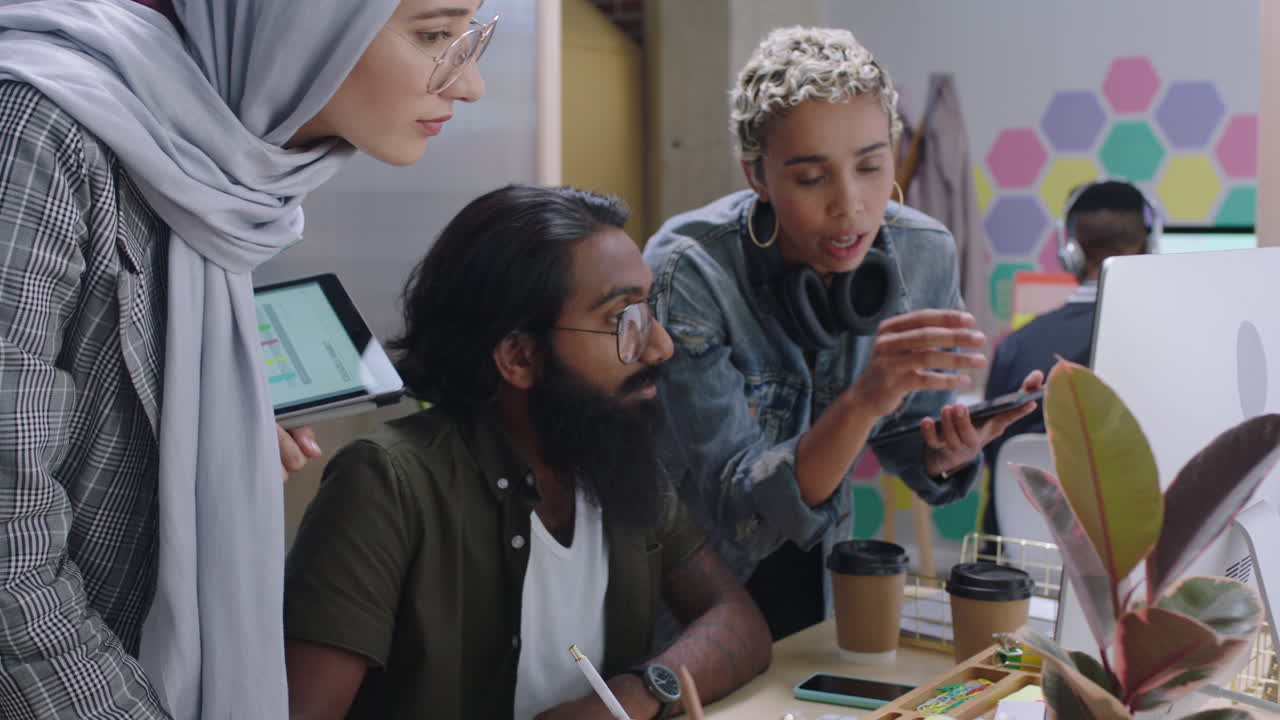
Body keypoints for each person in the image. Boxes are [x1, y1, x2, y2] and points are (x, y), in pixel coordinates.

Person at [0, 0, 491, 716]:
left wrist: (200, 425)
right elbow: (9, 566)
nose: (469, 83)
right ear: (300, 19)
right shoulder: (35, 130)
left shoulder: (218, 171)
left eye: (471, 37)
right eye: (434, 36)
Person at [282, 184, 772, 720]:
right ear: (519, 356)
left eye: (648, 312)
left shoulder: (612, 455)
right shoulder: (385, 483)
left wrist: (631, 698)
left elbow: (737, 621)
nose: (660, 346)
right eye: (621, 320)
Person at [642, 26, 1042, 640]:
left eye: (871, 166)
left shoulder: (923, 253)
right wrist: (865, 398)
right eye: (810, 178)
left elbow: (912, 438)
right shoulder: (686, 270)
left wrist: (948, 453)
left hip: (821, 595)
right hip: (687, 606)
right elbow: (741, 511)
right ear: (757, 175)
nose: (850, 205)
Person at [982, 179, 1154, 534]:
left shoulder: (1017, 346)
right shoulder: (1170, 342)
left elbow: (989, 451)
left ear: (1070, 249)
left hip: (1023, 561)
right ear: (1149, 245)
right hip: (1133, 567)